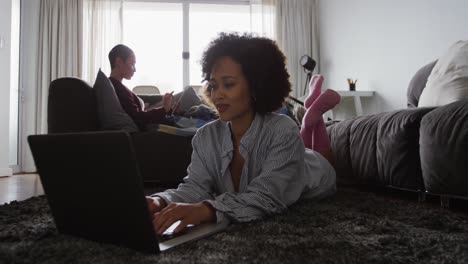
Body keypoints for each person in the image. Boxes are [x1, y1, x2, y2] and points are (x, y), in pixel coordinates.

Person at [146, 32, 341, 235]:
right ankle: (312, 116)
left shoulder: (282, 129)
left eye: (228, 84)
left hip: (318, 171)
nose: (217, 94)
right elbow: (195, 188)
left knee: (319, 153)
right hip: (295, 153)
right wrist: (160, 201)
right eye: (213, 86)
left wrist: (205, 210)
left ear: (256, 86)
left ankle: (314, 116)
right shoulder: (205, 137)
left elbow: (267, 197)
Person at [108, 44, 174, 130]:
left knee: (183, 98)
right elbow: (137, 117)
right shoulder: (117, 88)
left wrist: (165, 109)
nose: (134, 69)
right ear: (119, 62)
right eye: (132, 64)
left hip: (150, 112)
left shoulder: (117, 86)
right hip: (148, 121)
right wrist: (164, 109)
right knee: (187, 93)